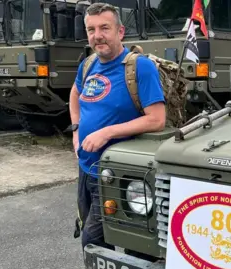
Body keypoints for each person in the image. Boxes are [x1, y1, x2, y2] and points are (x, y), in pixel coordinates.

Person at [68, 2, 166, 252]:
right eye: (91, 29)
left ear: (120, 32)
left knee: (97, 241)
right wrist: (77, 130)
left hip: (119, 175)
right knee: (99, 237)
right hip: (86, 169)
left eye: (104, 28)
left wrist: (106, 132)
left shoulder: (139, 67)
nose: (97, 35)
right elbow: (75, 94)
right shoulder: (88, 64)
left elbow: (157, 119)